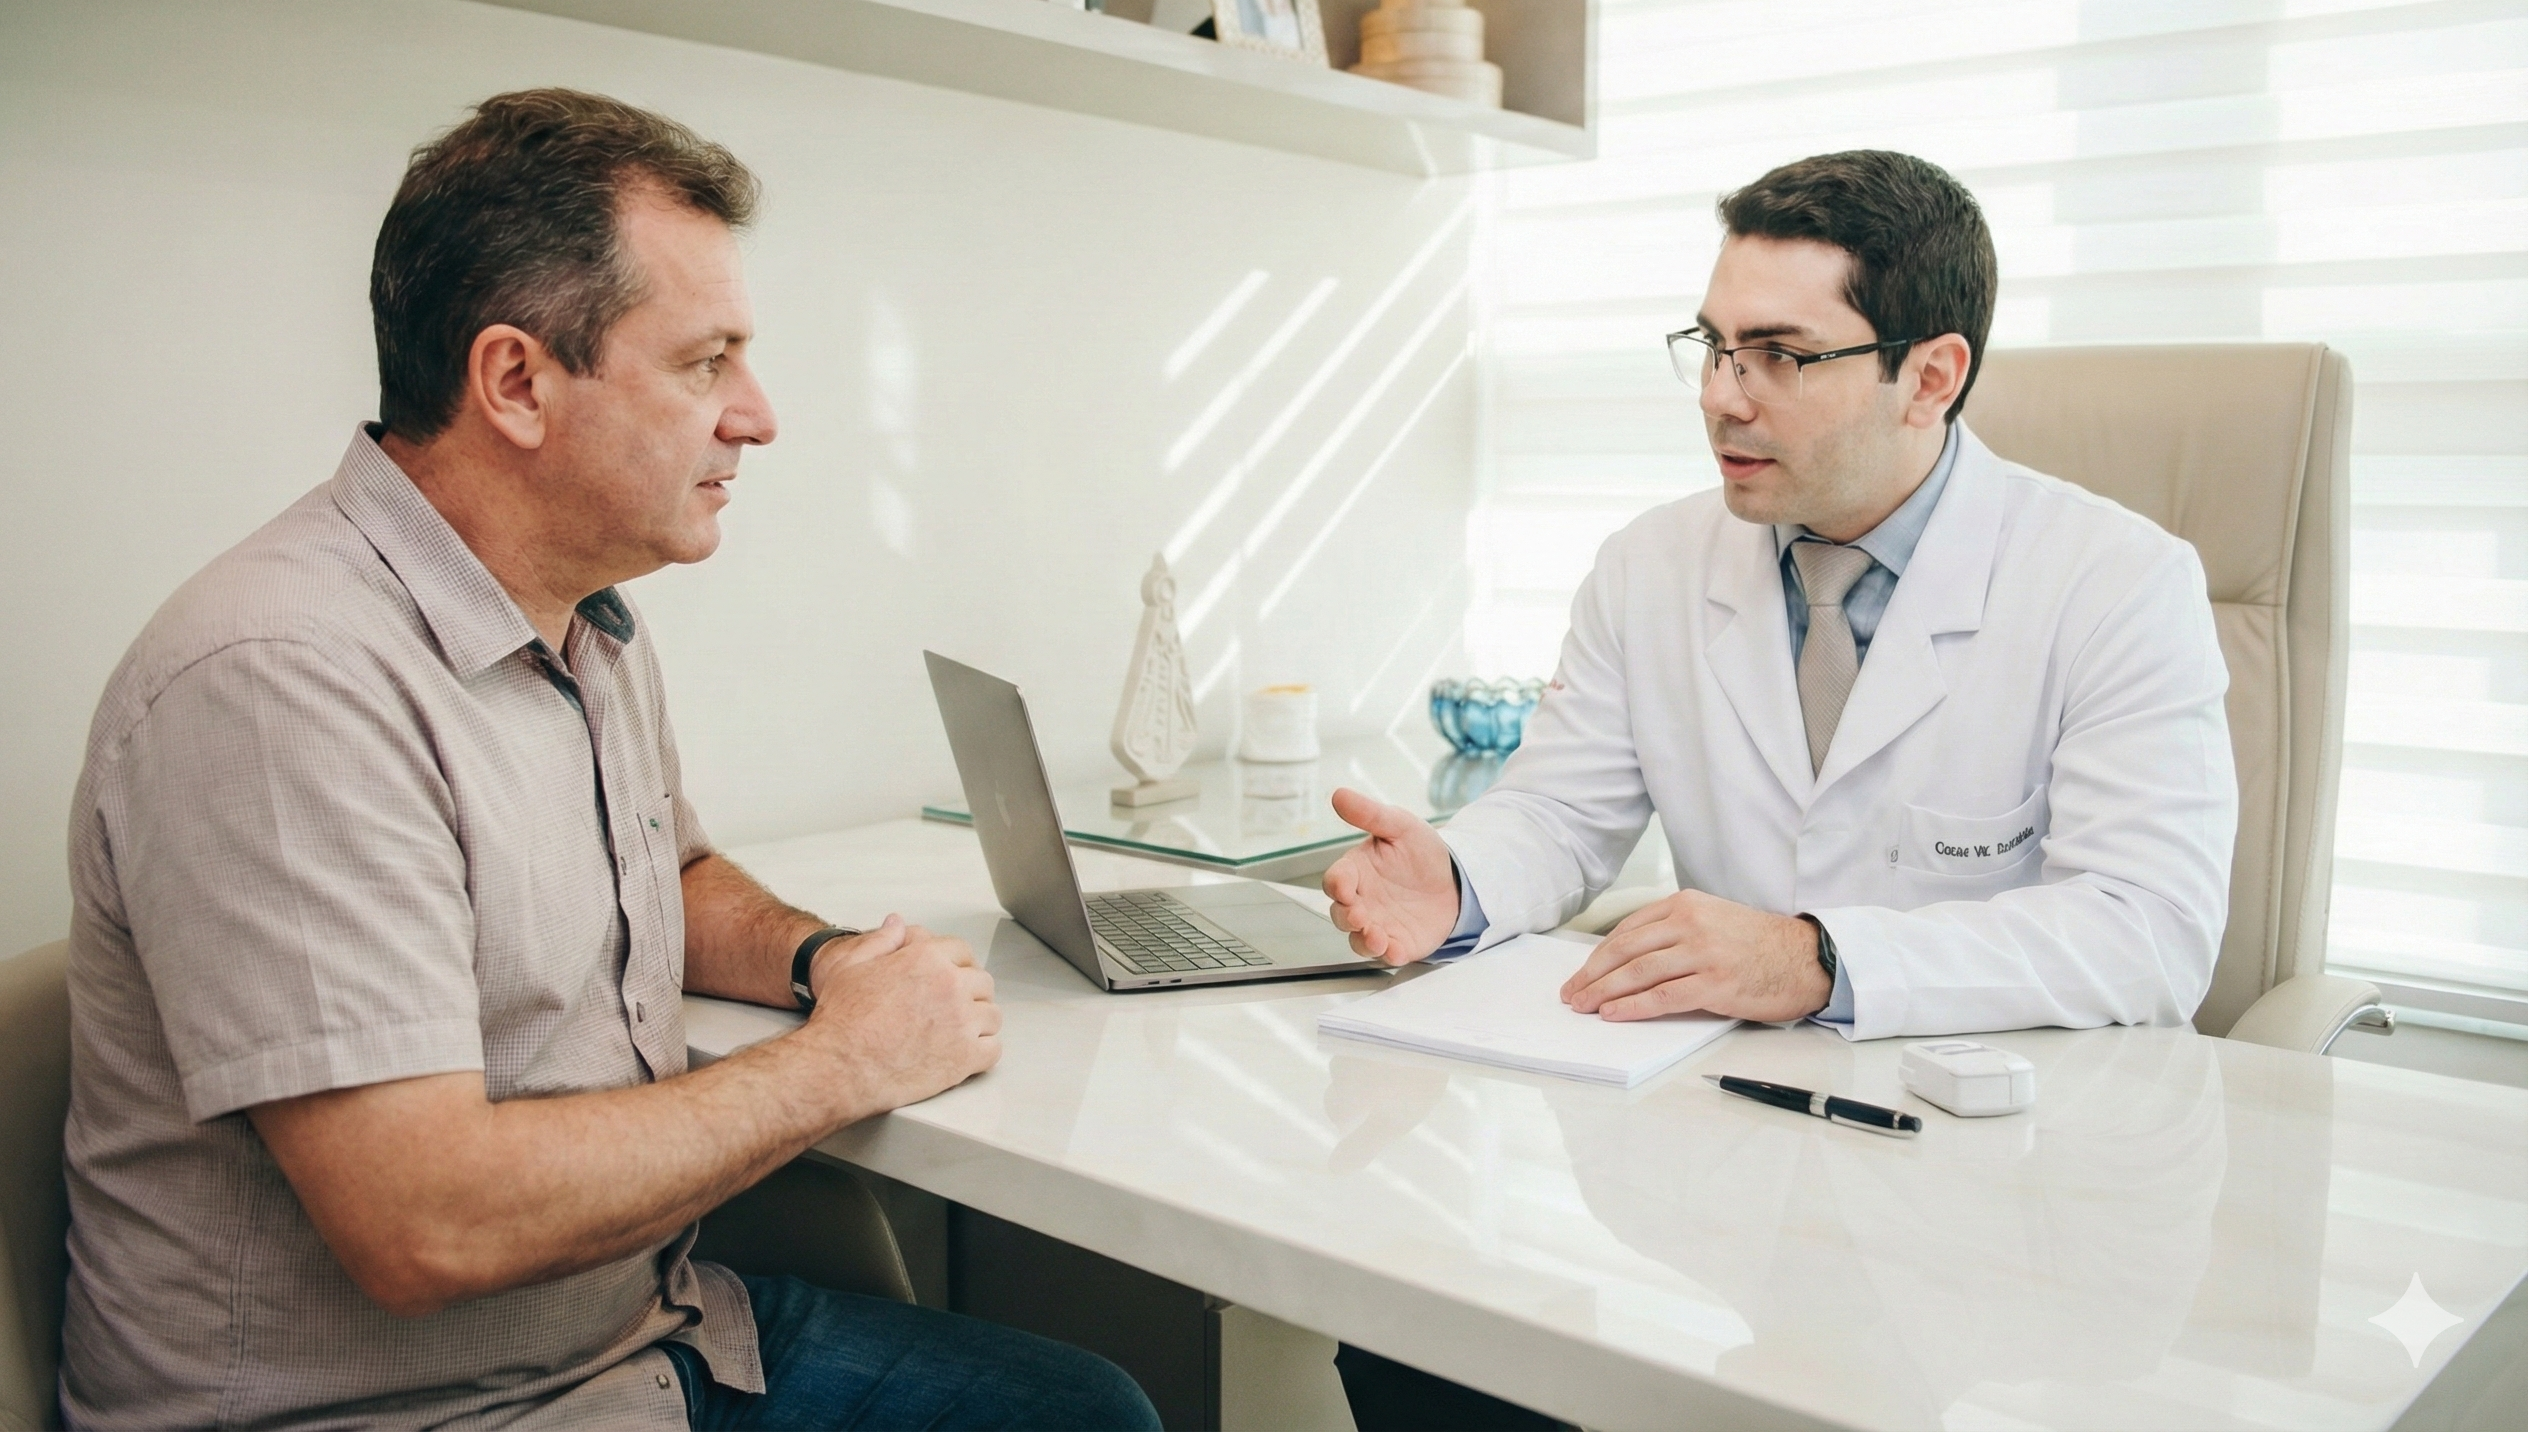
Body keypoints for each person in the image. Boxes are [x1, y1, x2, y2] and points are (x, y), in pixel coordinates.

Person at [59, 89, 1160, 1431]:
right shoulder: (280, 683)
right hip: (420, 1410)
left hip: (634, 1336)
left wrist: (826, 968)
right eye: (706, 363)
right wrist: (840, 1064)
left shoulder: (580, 620)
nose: (756, 415)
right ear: (516, 382)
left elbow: (667, 870)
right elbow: (427, 1225)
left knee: (1087, 1407)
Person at [1319, 150, 2236, 1430]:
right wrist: (1460, 878)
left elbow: (2149, 933)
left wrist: (1815, 958)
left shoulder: (2114, 582)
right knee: (1417, 1338)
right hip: (1725, 1151)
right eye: (1708, 345)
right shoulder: (1649, 565)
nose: (1719, 398)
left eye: (1778, 356)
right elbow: (1560, 814)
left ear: (1930, 375)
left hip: (2005, 1185)